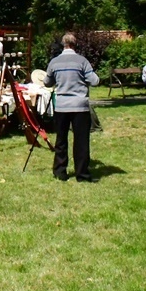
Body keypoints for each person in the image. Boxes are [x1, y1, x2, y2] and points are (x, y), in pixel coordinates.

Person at [44, 33, 100, 182]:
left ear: (63, 44)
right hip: (80, 106)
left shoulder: (54, 62)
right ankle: (82, 174)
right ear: (75, 44)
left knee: (61, 140)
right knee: (81, 141)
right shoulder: (82, 61)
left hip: (61, 106)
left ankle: (60, 172)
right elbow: (94, 81)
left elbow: (47, 82)